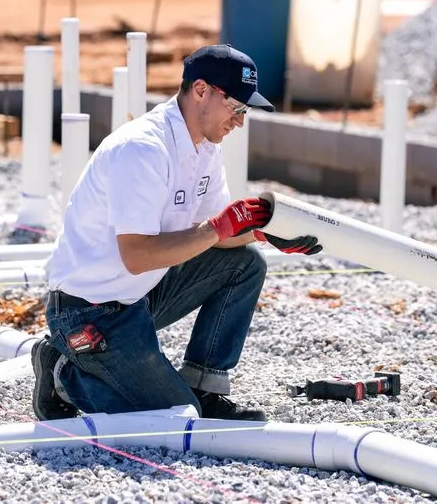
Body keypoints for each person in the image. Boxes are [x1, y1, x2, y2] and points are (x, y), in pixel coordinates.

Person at [32, 44, 322, 422]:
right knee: (176, 416)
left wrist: (262, 235)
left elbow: (214, 237)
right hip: (89, 311)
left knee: (245, 263)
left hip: (139, 297)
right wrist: (220, 227)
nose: (239, 121)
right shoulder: (141, 150)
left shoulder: (203, 147)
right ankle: (61, 372)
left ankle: (206, 385)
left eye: (244, 111)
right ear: (201, 90)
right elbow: (137, 256)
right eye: (237, 108)